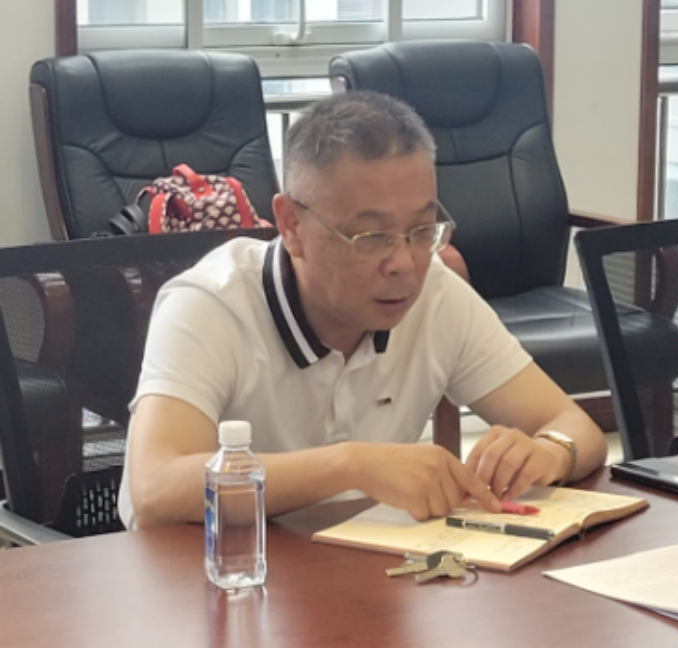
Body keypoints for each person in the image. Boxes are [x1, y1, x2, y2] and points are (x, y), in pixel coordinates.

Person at [118, 91, 607, 529]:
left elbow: (575, 426)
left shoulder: (436, 294)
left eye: (421, 230)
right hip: (213, 579)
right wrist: (350, 465)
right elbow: (156, 488)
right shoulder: (211, 303)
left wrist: (549, 452)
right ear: (291, 225)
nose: (404, 264)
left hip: (360, 575)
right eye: (371, 237)